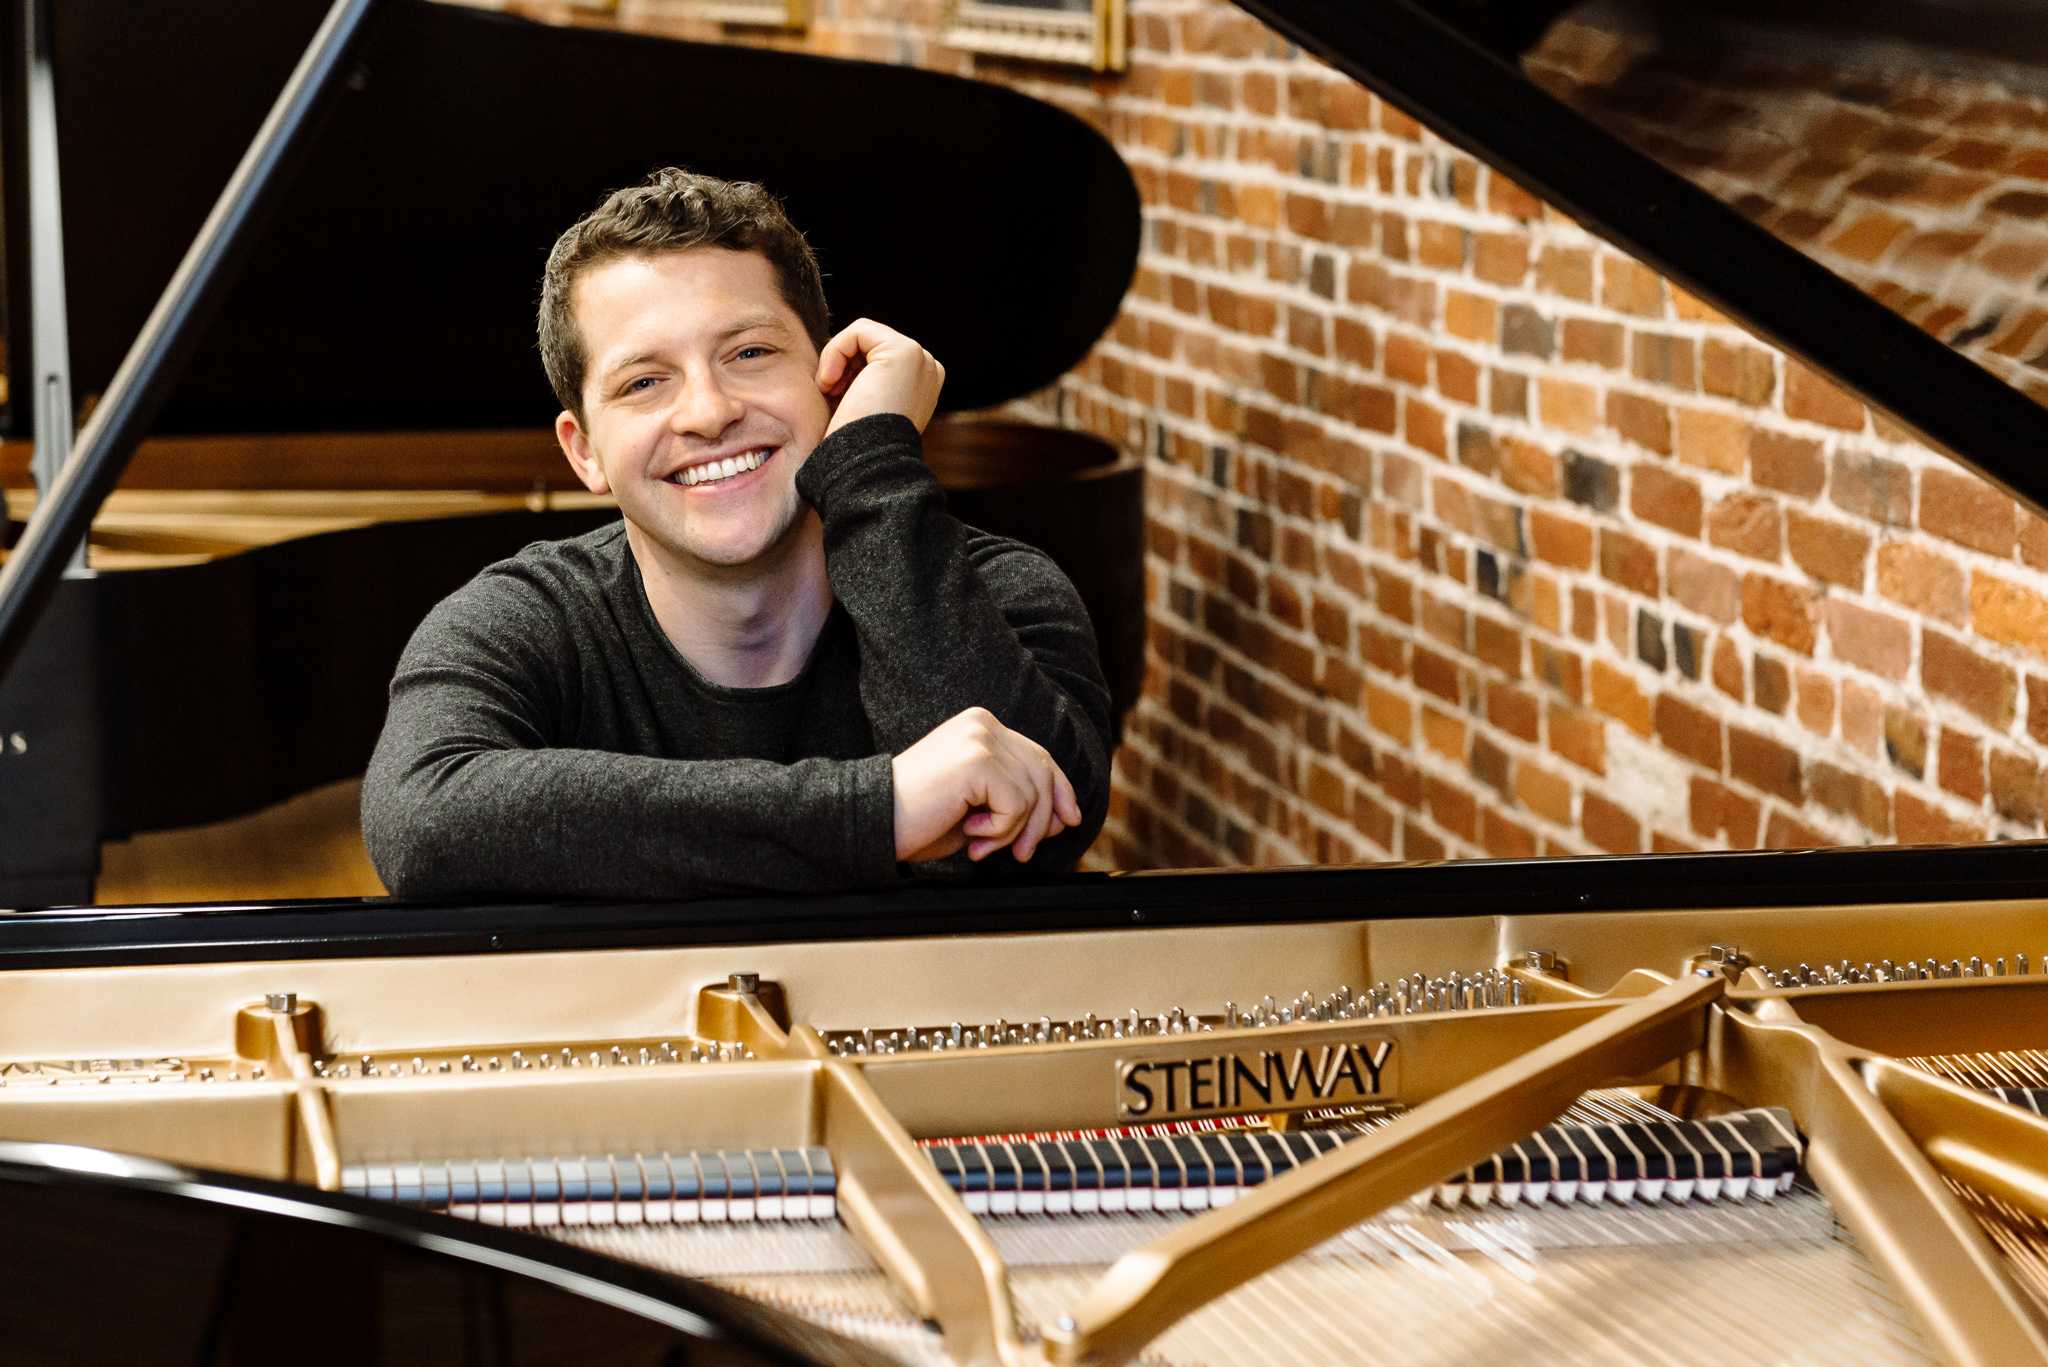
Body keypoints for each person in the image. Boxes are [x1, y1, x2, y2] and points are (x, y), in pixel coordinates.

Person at [361, 168, 1111, 899]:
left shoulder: (1005, 592)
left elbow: (1027, 840)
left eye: (750, 353)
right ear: (583, 450)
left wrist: (873, 463)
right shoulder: (516, 621)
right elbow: (423, 818)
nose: (709, 411)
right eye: (643, 381)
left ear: (832, 383)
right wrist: (879, 811)